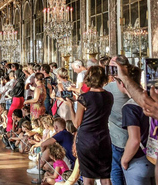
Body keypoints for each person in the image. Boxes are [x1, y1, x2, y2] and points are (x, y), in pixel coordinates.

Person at [66, 66, 113, 185]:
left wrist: (70, 107)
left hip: (87, 139)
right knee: (105, 177)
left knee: (88, 177)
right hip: (104, 137)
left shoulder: (84, 98)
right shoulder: (109, 96)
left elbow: (77, 123)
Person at [116, 65, 155, 184]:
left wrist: (124, 160)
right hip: (154, 158)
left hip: (139, 160)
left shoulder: (130, 107)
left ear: (122, 84)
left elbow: (135, 140)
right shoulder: (153, 101)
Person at [103, 55, 129, 185]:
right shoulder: (135, 86)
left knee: (116, 169)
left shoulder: (110, 89)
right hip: (133, 137)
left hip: (117, 138)